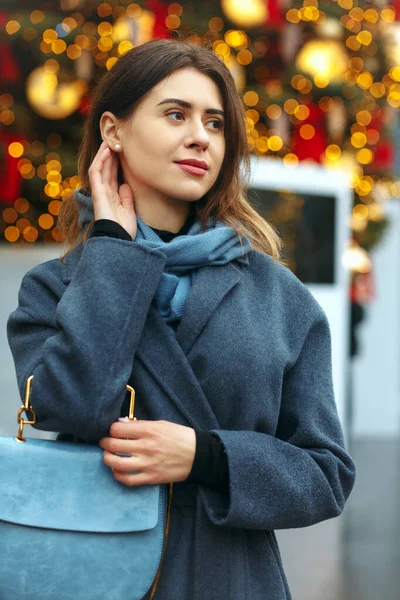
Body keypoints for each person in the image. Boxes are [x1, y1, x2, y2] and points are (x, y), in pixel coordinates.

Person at [7, 38, 356, 599]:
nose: (201, 136)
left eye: (216, 123)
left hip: (235, 579)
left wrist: (206, 457)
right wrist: (112, 251)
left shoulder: (278, 296)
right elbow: (66, 405)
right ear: (113, 131)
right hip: (97, 572)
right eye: (176, 114)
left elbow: (326, 476)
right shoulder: (55, 287)